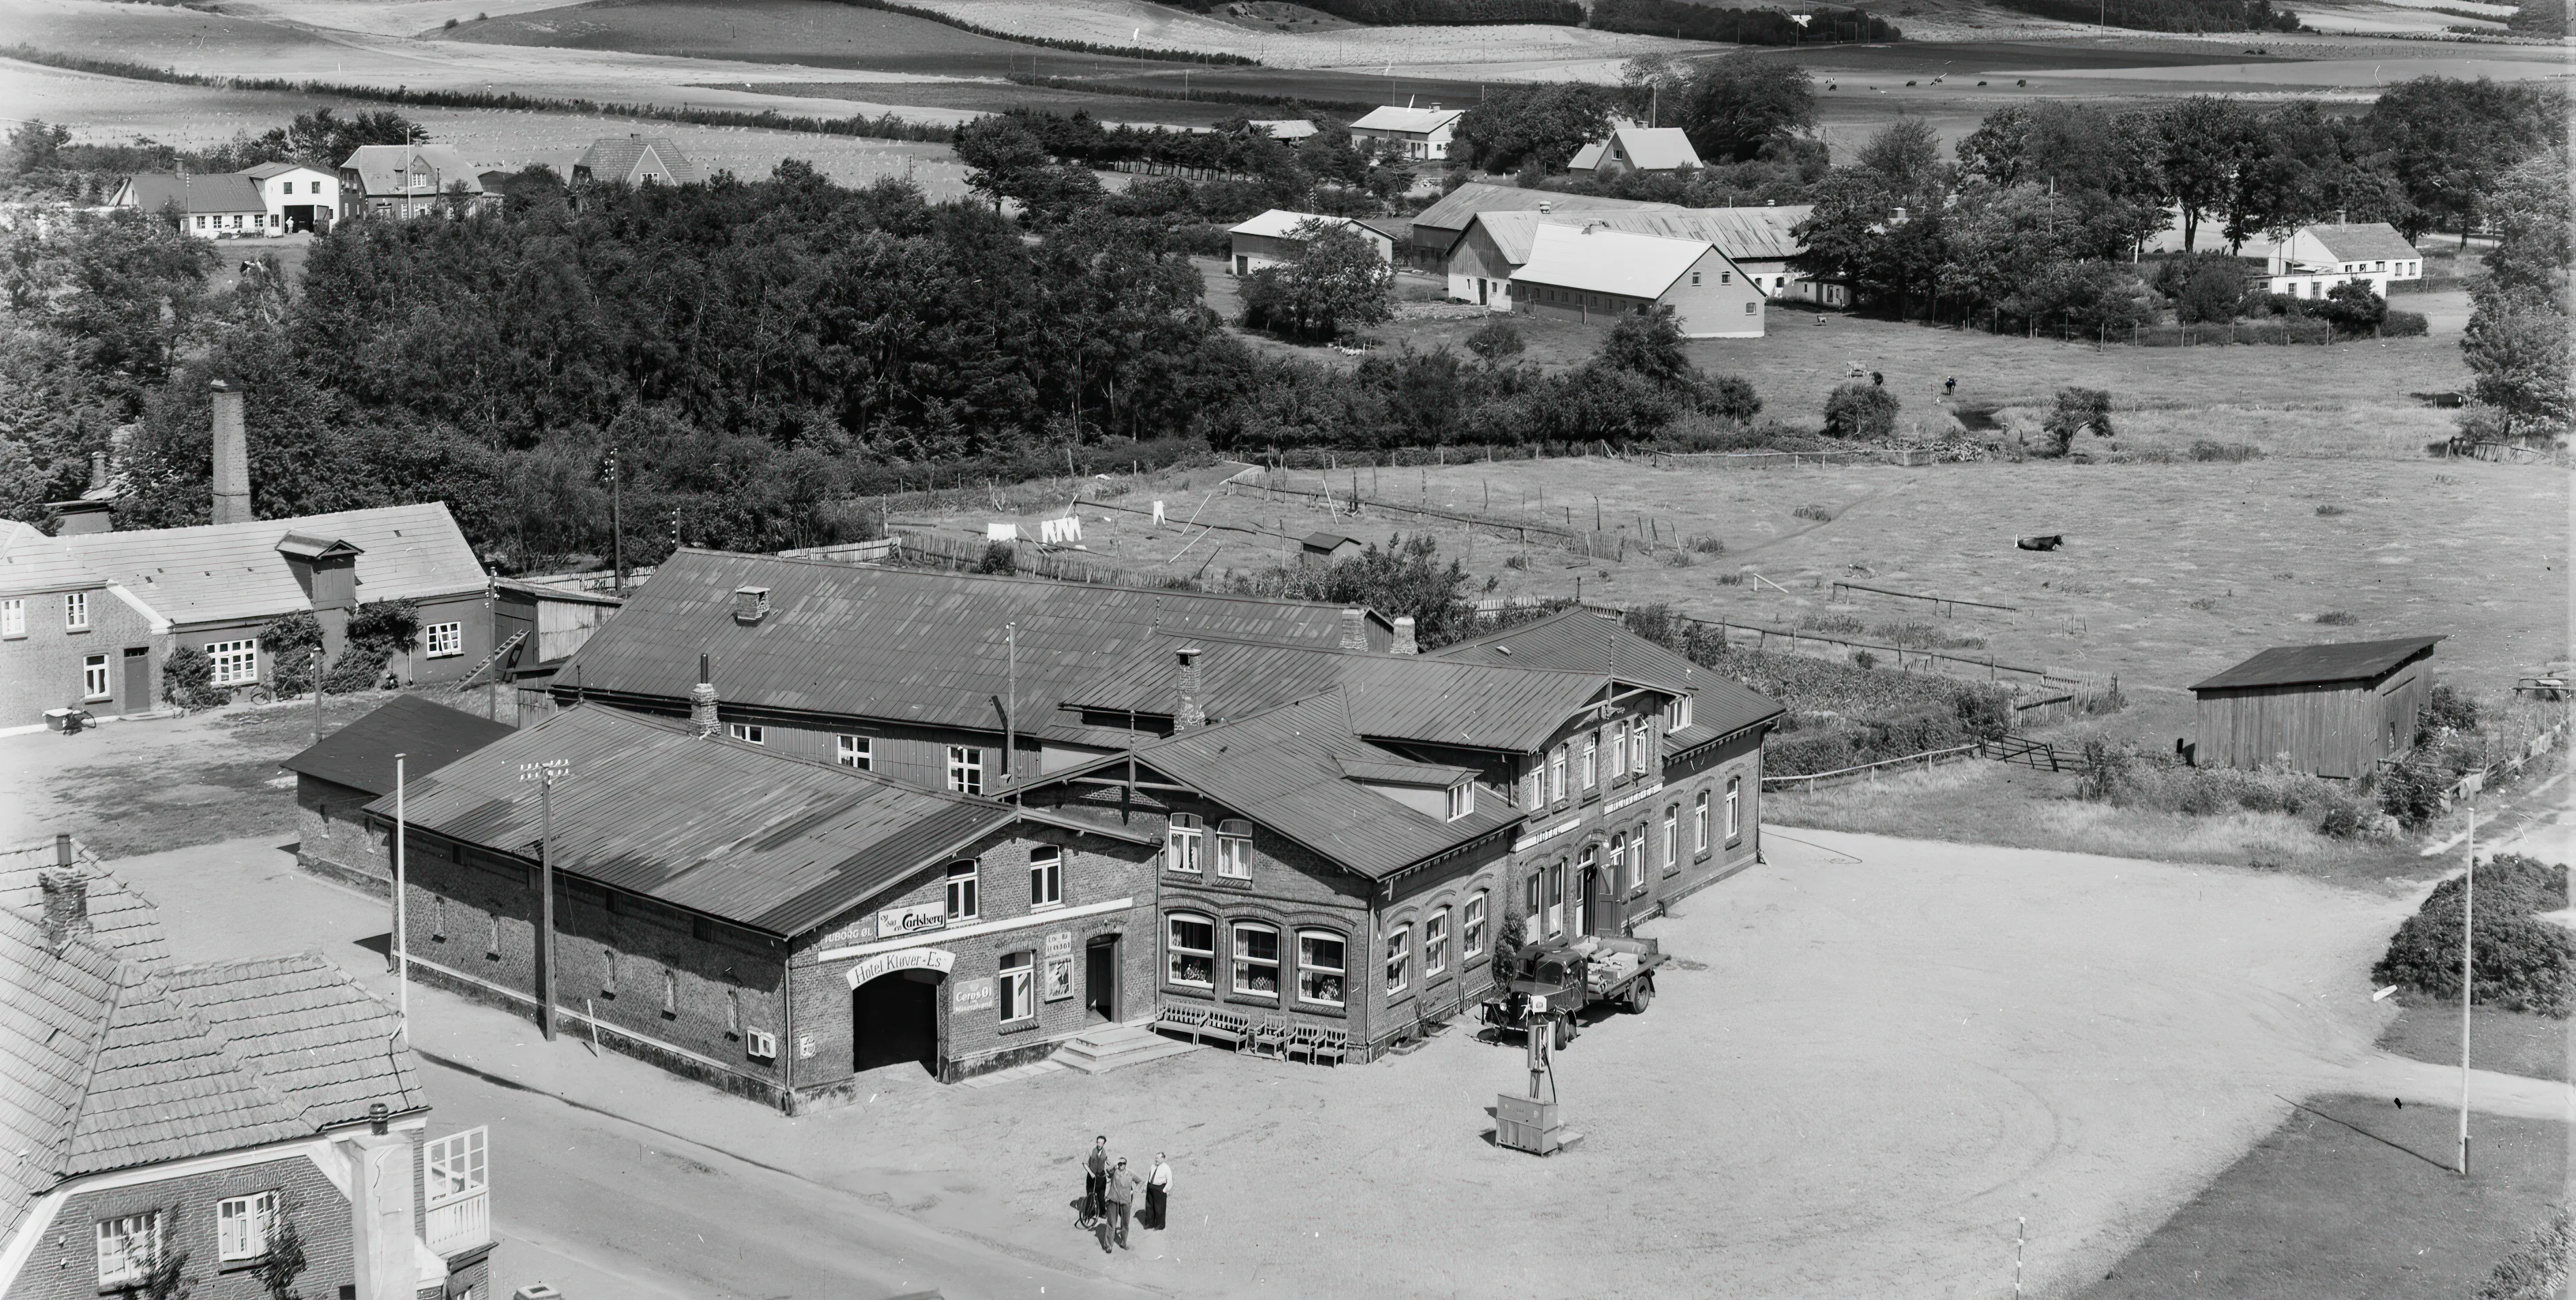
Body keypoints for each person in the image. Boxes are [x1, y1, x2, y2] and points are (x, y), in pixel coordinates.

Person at [1103, 1157, 1139, 1251]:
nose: (1121, 1165)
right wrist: (1116, 1162)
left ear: (1126, 1164)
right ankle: (1108, 1245)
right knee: (1111, 1223)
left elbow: (1140, 1181)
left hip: (1125, 1202)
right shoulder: (1114, 1172)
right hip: (1114, 1200)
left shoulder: (1130, 1174)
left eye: (1123, 1163)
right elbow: (1108, 1169)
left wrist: (1133, 1192)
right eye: (1120, 1163)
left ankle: (1124, 1243)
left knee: (1125, 1224)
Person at [1082, 1135, 1108, 1228]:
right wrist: (1091, 1173)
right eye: (1098, 1142)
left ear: (1104, 1143)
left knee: (1101, 1196)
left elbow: (1108, 1163)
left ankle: (1103, 1212)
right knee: (1090, 1195)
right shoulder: (1090, 1151)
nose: (1099, 1144)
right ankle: (1090, 1212)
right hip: (1091, 1177)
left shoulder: (1105, 1153)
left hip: (1101, 1178)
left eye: (1101, 1143)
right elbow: (1085, 1163)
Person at [1145, 1153, 1172, 1231]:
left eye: (1158, 1158)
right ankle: (1150, 1224)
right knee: (1149, 1206)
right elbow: (1149, 1176)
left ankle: (1160, 1225)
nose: (1156, 1160)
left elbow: (1170, 1181)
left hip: (1160, 1188)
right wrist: (1146, 1186)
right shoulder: (1153, 1166)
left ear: (1163, 1159)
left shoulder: (1166, 1168)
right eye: (1156, 1158)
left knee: (1159, 1208)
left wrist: (1165, 1190)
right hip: (1150, 1187)